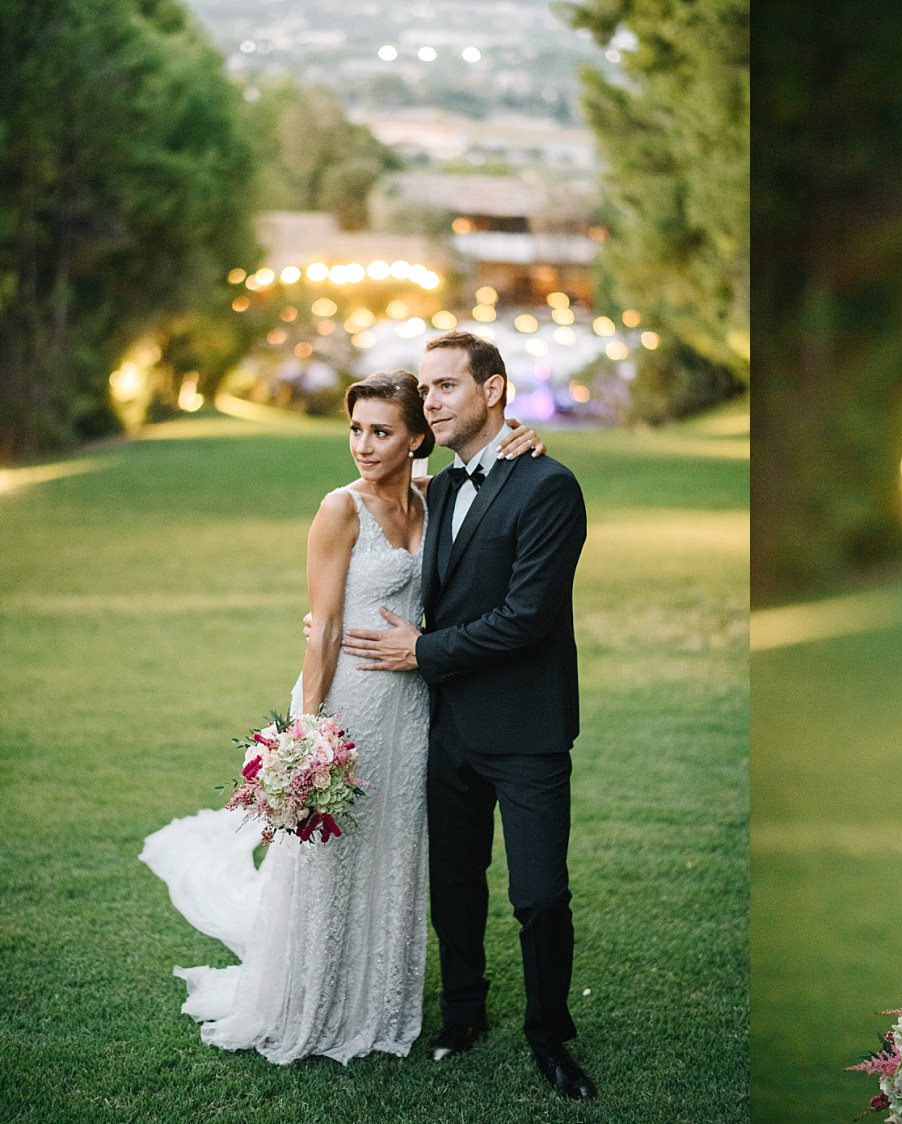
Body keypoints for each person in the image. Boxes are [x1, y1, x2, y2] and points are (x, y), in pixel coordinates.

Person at [140, 371, 541, 1065]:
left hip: (414, 705)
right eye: (355, 428)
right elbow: (322, 628)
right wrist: (309, 732)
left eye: (381, 431)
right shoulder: (339, 509)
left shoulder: (432, 495)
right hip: (346, 701)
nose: (362, 444)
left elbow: (489, 479)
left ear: (418, 438)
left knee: (394, 848)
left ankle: (381, 1001)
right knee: (328, 855)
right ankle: (313, 1002)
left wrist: (524, 436)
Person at [341, 330, 595, 1100]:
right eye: (425, 388)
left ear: (494, 390)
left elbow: (525, 617)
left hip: (526, 731)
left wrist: (422, 651)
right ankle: (462, 1016)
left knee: (540, 893)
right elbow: (377, 469)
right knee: (454, 883)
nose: (431, 400)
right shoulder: (440, 490)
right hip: (445, 728)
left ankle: (550, 1038)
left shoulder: (549, 487)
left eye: (447, 385)